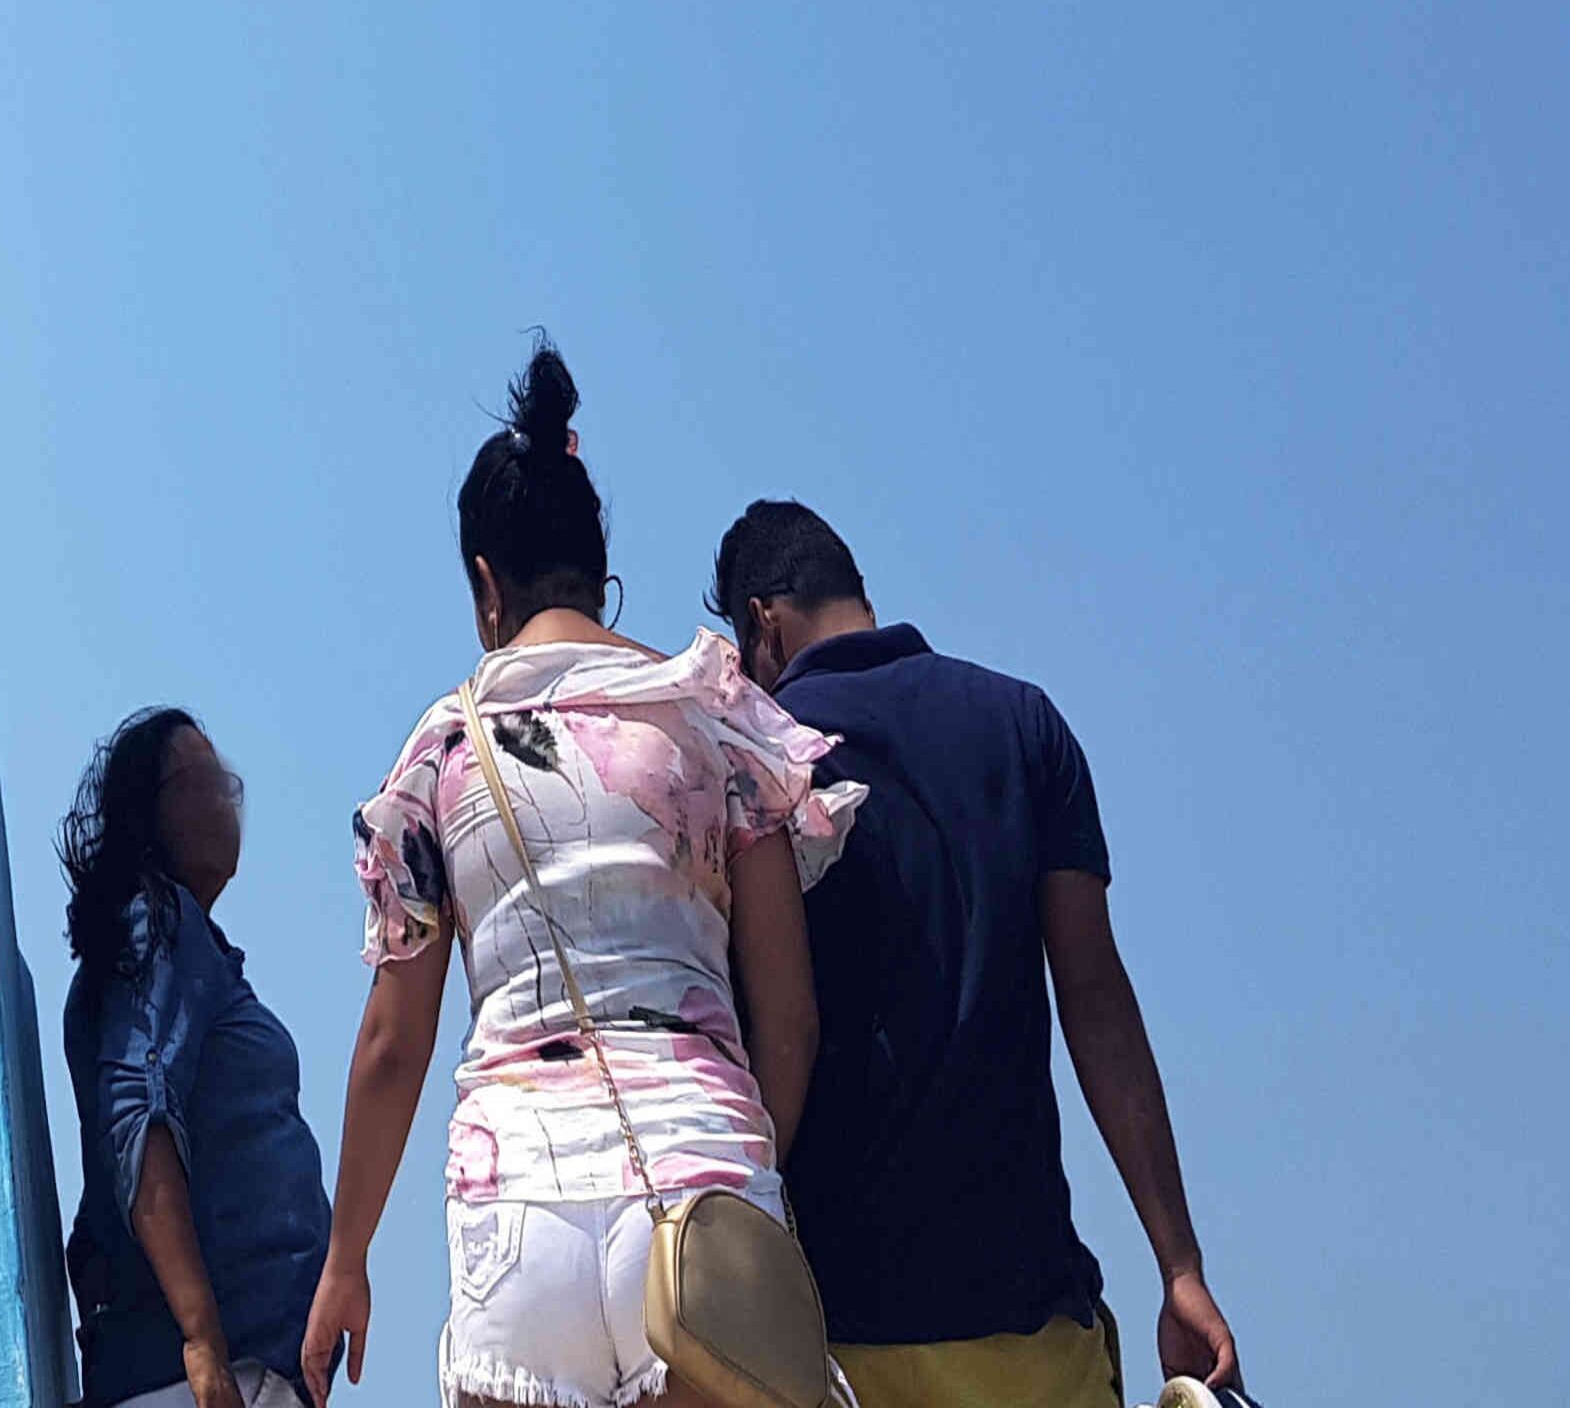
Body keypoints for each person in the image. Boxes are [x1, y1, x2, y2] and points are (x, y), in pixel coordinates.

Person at [303, 343, 856, 1408]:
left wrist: (346, 1261)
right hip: (700, 1186)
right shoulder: (714, 715)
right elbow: (789, 1018)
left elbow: (391, 1043)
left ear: (483, 585)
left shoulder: (442, 753)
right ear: (600, 564)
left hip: (518, 1207)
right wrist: (744, 1163)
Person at [713, 500, 1243, 1408]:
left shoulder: (759, 760)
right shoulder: (1025, 725)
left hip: (833, 1341)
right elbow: (1098, 1005)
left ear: (761, 623)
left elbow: (751, 1037)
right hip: (1027, 1329)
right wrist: (1179, 1264)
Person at [60, 708, 335, 1408]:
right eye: (206, 776)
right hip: (198, 1380)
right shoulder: (159, 922)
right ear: (153, 810)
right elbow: (139, 1116)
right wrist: (201, 1339)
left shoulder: (188, 946)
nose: (229, 794)